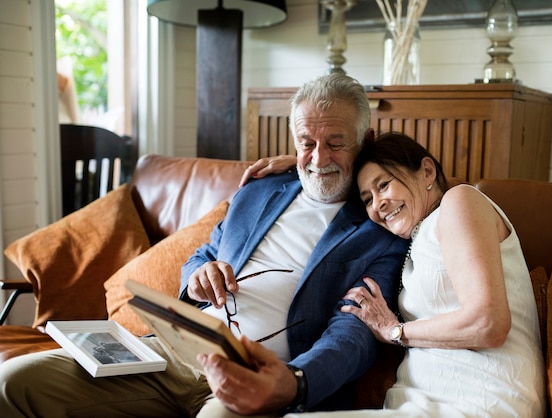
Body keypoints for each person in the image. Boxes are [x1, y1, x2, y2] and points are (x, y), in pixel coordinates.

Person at [0, 74, 408, 418]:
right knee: (13, 381)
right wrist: (197, 276)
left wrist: (295, 382)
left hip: (259, 374)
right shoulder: (258, 189)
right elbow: (205, 254)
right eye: (306, 142)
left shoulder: (381, 227)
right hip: (176, 353)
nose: (318, 158)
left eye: (336, 143)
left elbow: (354, 331)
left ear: (365, 140)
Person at [252, 133, 547, 417]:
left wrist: (395, 332)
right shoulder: (410, 244)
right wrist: (300, 163)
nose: (377, 204)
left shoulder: (460, 202)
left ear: (427, 171)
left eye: (383, 185)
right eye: (367, 199)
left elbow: (489, 324)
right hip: (417, 404)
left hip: (483, 401)